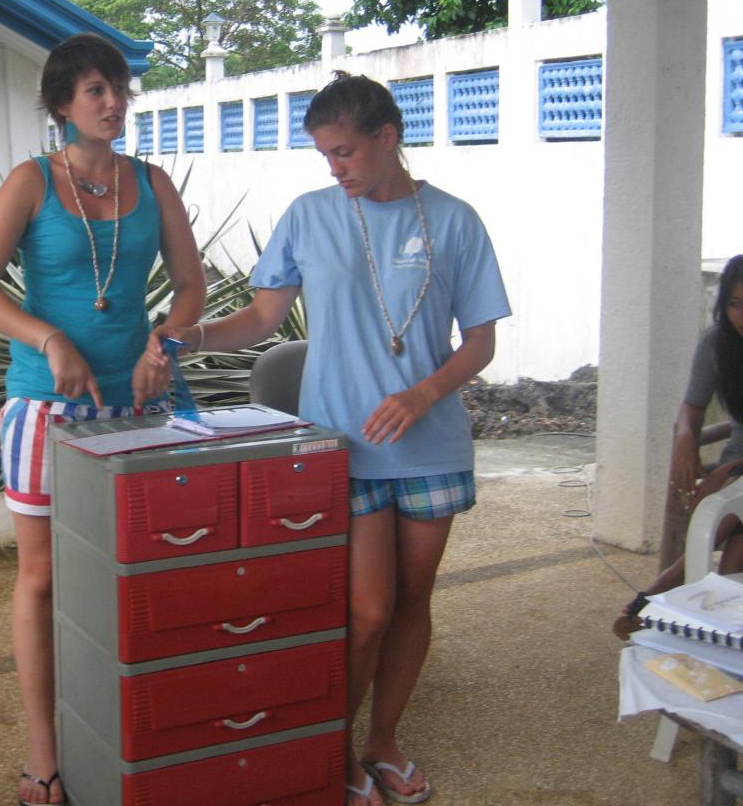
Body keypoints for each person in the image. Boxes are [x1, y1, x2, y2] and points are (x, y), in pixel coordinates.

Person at [147, 72, 510, 806]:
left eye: (345, 152)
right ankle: (331, 743)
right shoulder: (310, 215)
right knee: (367, 608)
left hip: (430, 441)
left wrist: (423, 393)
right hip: (338, 445)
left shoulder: (455, 220)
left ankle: (384, 742)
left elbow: (479, 342)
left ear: (387, 137)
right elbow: (259, 320)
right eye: (325, 156)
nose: (335, 167)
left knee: (414, 603)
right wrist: (196, 336)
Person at [0, 33, 205, 806]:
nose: (112, 102)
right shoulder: (30, 183)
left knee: (137, 565)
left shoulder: (153, 181)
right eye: (94, 90)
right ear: (61, 104)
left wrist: (162, 340)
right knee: (41, 577)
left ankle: (133, 719)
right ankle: (44, 752)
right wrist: (49, 336)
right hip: (45, 402)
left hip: (138, 403)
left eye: (119, 88)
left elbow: (192, 285)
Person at [613, 255, 743, 638]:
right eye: (734, 304)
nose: (741, 315)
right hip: (737, 461)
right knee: (735, 538)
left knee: (727, 525)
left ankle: (652, 597)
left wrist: (726, 471)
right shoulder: (718, 344)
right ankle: (719, 630)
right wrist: (686, 439)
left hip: (735, 469)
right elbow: (692, 405)